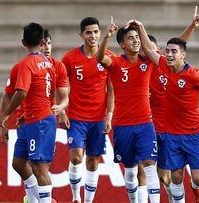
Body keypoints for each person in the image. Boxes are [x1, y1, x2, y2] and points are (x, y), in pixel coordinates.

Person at [134, 19, 199, 203]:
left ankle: (195, 189)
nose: (169, 54)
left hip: (194, 133)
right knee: (175, 178)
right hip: (171, 135)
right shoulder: (162, 66)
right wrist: (141, 27)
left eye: (173, 51)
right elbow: (150, 49)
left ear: (182, 55)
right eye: (167, 51)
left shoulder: (192, 74)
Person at [0, 23, 68, 203]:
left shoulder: (28, 64)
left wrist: (5, 115)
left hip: (40, 121)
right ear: (41, 41)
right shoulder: (49, 65)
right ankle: (38, 199)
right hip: (32, 119)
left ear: (23, 42)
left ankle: (41, 200)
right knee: (18, 163)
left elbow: (21, 93)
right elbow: (44, 93)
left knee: (39, 167)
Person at [137, 10, 199, 203]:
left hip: (172, 127)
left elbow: (179, 43)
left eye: (157, 50)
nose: (151, 52)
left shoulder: (167, 65)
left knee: (168, 176)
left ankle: (178, 196)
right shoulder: (139, 66)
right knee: (145, 168)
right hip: (151, 125)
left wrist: (191, 26)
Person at [96, 17, 160, 203]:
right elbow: (100, 58)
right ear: (123, 44)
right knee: (130, 170)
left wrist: (141, 27)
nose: (136, 40)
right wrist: (106, 37)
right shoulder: (116, 63)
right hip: (123, 125)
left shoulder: (147, 61)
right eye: (131, 38)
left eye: (137, 37)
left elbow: (153, 50)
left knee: (149, 165)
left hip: (146, 124)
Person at [60, 17, 114, 203]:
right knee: (76, 158)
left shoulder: (108, 57)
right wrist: (62, 111)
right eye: (89, 32)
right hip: (76, 117)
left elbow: (111, 90)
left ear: (100, 33)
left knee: (93, 161)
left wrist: (109, 116)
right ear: (81, 35)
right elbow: (60, 85)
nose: (93, 36)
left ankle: (88, 201)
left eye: (96, 32)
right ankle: (76, 197)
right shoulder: (70, 58)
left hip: (98, 118)